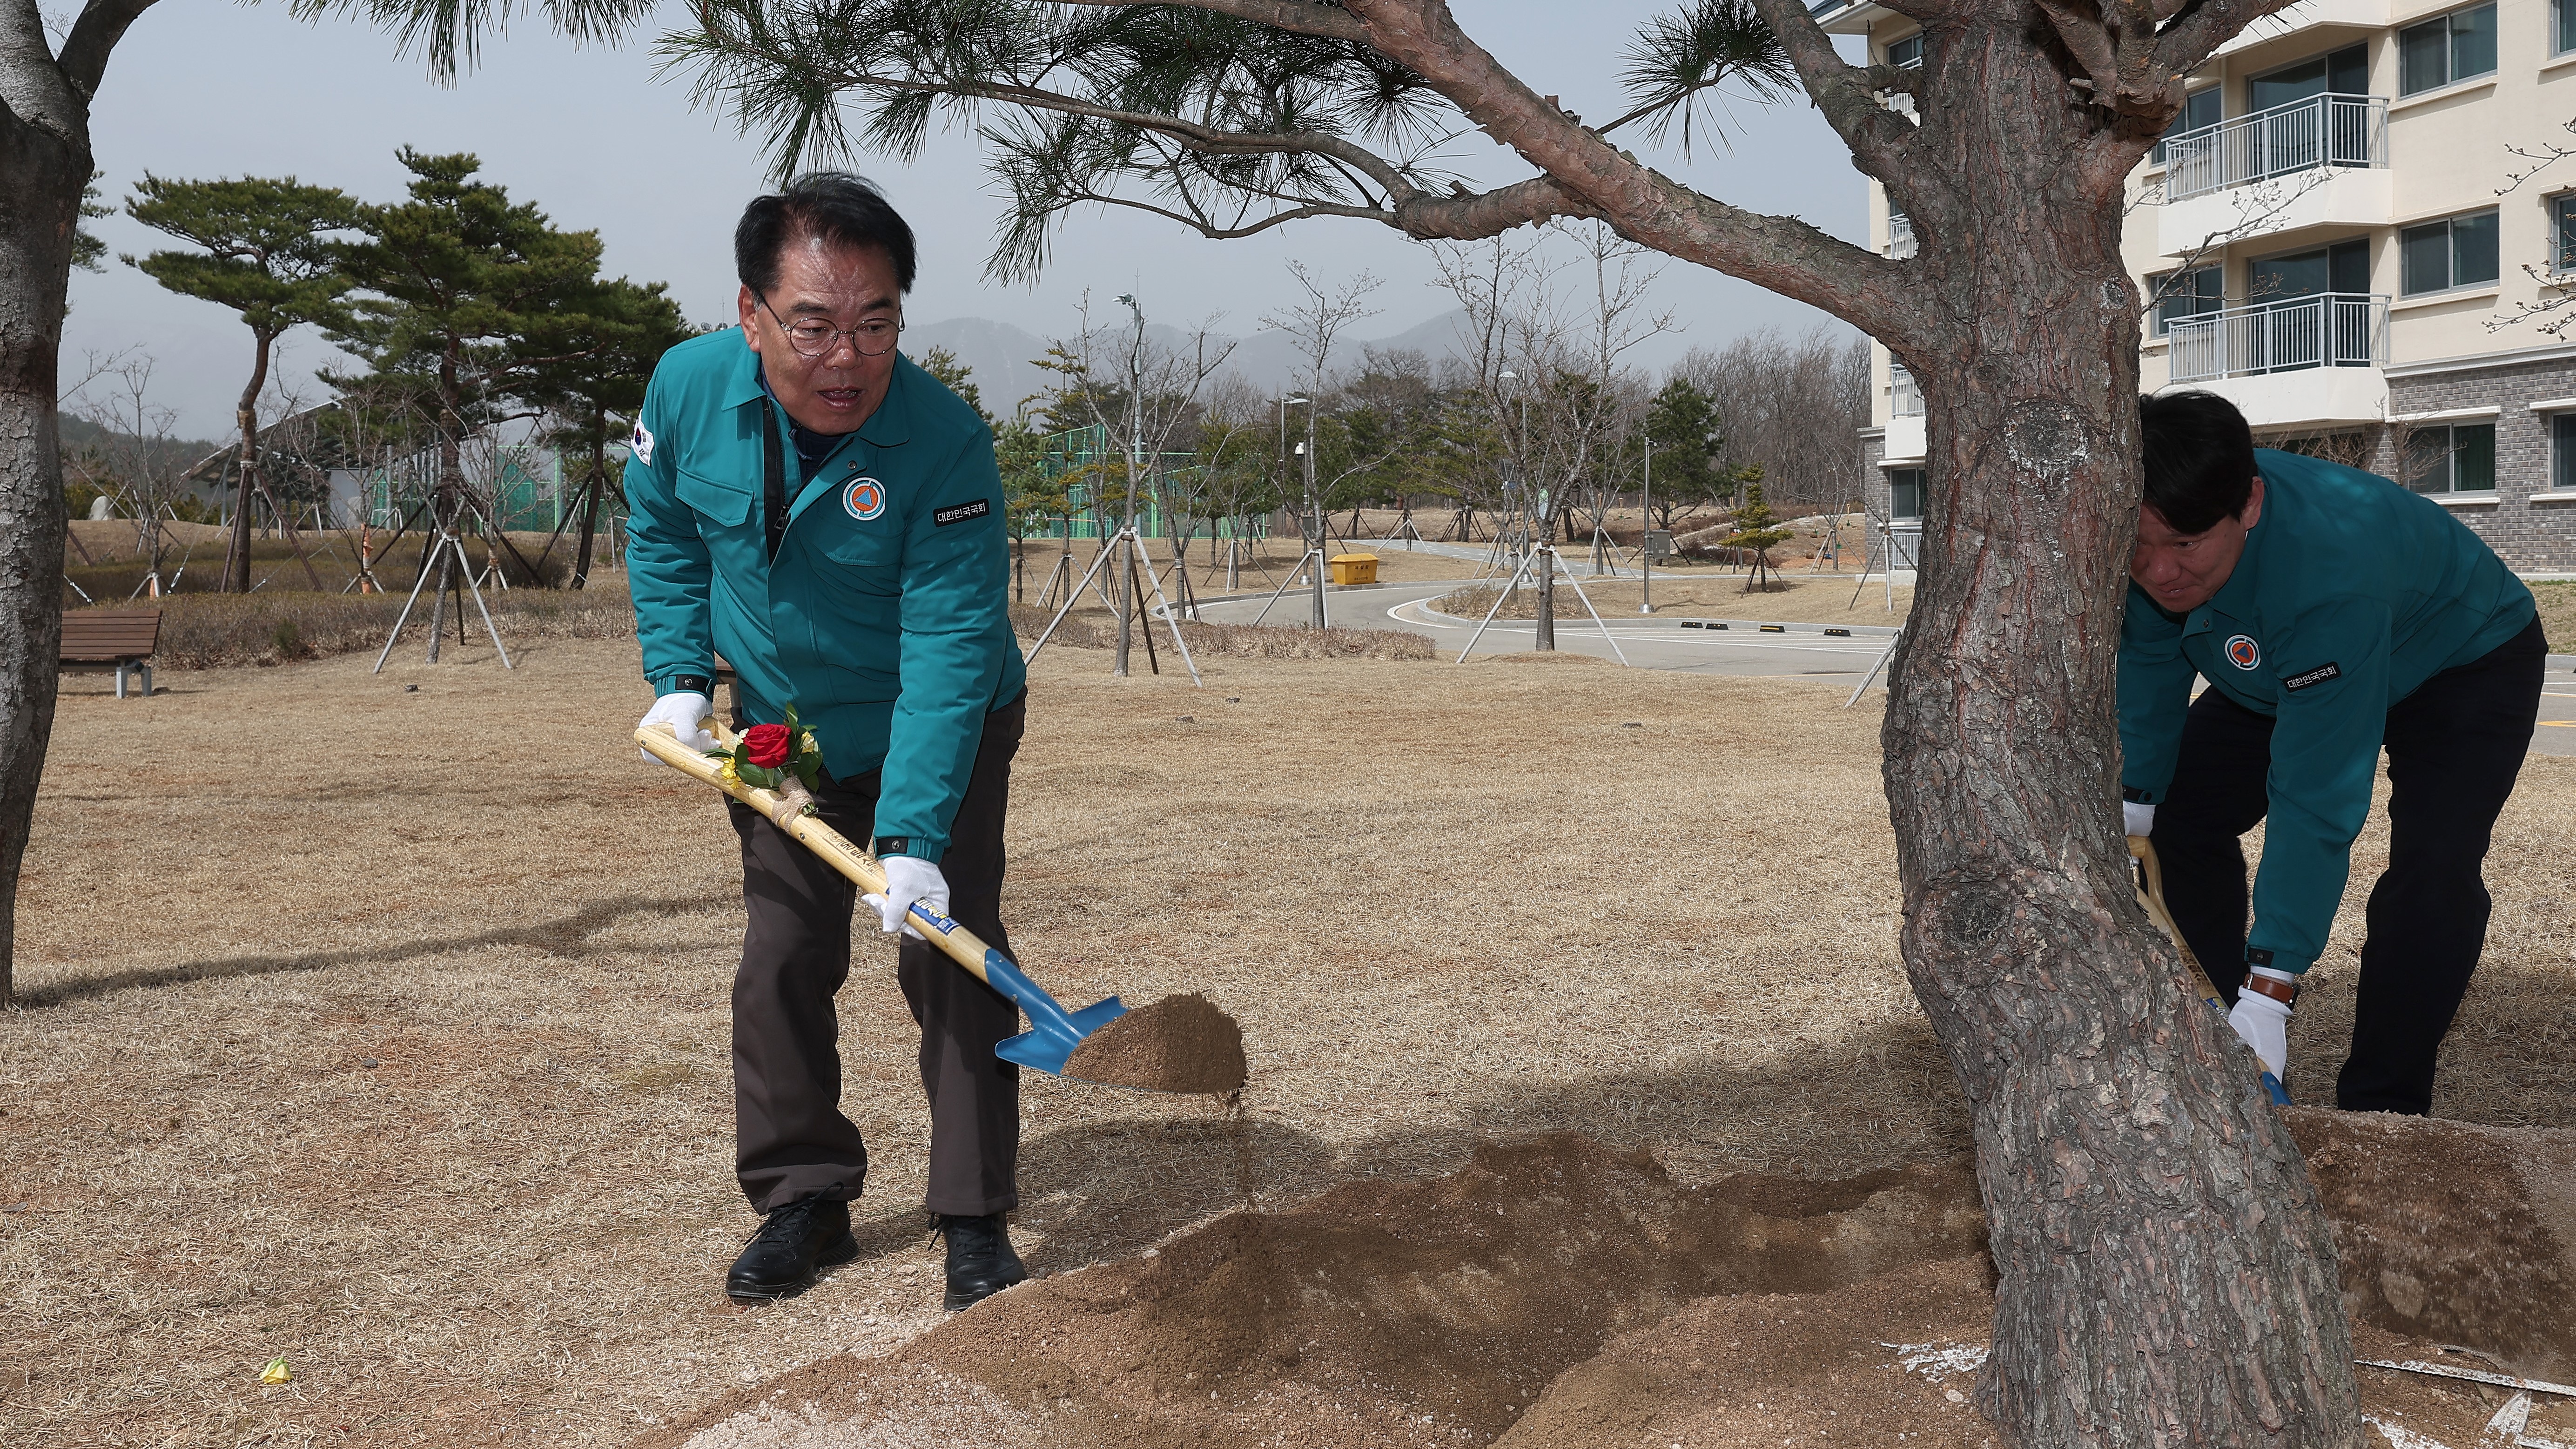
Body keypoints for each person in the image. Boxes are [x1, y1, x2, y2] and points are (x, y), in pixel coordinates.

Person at [624, 173, 1031, 1309]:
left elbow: (952, 644)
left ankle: (971, 1217)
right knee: (784, 958)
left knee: (949, 951)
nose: (845, 356)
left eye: (876, 321)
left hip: (937, 722)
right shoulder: (688, 389)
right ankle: (804, 1196)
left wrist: (912, 837)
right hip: (777, 730)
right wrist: (678, 679)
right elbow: (657, 528)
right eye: (812, 324)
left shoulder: (943, 442)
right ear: (750, 315)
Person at [2119, 391, 2543, 1115]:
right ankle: (2232, 1039)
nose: (2160, 573)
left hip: (2459, 658)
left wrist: (2277, 985)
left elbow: (2316, 796)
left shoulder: (2326, 573)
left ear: (2248, 506)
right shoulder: (2155, 534)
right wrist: (2138, 802)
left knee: (2432, 874)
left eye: (2186, 546)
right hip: (2288, 669)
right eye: (2139, 547)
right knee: (2178, 815)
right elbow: (2151, 667)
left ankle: (2382, 1109)